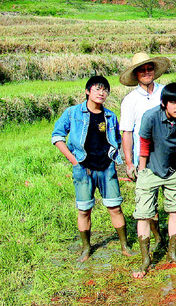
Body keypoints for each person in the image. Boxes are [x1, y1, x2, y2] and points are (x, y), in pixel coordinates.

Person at [52, 76, 133, 262]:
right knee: (84, 210)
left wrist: (112, 159)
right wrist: (73, 159)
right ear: (88, 91)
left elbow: (117, 140)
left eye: (105, 90)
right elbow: (57, 136)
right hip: (82, 168)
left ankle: (124, 246)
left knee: (115, 207)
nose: (101, 93)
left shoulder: (110, 116)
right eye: (97, 89)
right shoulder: (73, 113)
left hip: (106, 168)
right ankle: (86, 248)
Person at [132, 83, 176, 278]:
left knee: (175, 209)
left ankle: (173, 253)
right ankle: (145, 260)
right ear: (164, 103)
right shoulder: (151, 117)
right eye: (173, 102)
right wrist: (142, 170)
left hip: (173, 168)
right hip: (150, 168)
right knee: (144, 214)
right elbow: (144, 143)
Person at [119, 52, 170, 246]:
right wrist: (129, 162)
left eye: (150, 69)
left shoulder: (165, 92)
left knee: (175, 198)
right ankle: (157, 237)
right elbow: (127, 133)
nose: (147, 73)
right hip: (144, 158)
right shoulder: (130, 100)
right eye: (142, 70)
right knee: (149, 200)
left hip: (168, 155)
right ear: (136, 75)